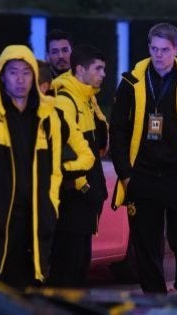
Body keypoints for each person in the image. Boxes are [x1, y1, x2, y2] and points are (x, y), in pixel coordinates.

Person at [0, 45, 94, 290]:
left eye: (26, 73)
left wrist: (51, 208)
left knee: (25, 297)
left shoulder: (48, 119)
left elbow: (54, 171)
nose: (20, 79)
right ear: (1, 76)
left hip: (34, 226)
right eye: (13, 72)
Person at [109, 22, 177, 297]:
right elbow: (117, 128)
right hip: (142, 175)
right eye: (154, 49)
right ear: (148, 48)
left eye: (165, 50)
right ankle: (155, 299)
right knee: (145, 244)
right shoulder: (131, 83)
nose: (159, 55)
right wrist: (125, 173)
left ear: (176, 50)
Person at [47, 44, 109, 287]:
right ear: (81, 70)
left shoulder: (86, 99)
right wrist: (85, 189)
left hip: (84, 201)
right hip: (73, 200)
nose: (103, 74)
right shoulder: (66, 101)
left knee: (80, 266)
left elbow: (97, 145)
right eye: (98, 68)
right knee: (68, 268)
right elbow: (64, 153)